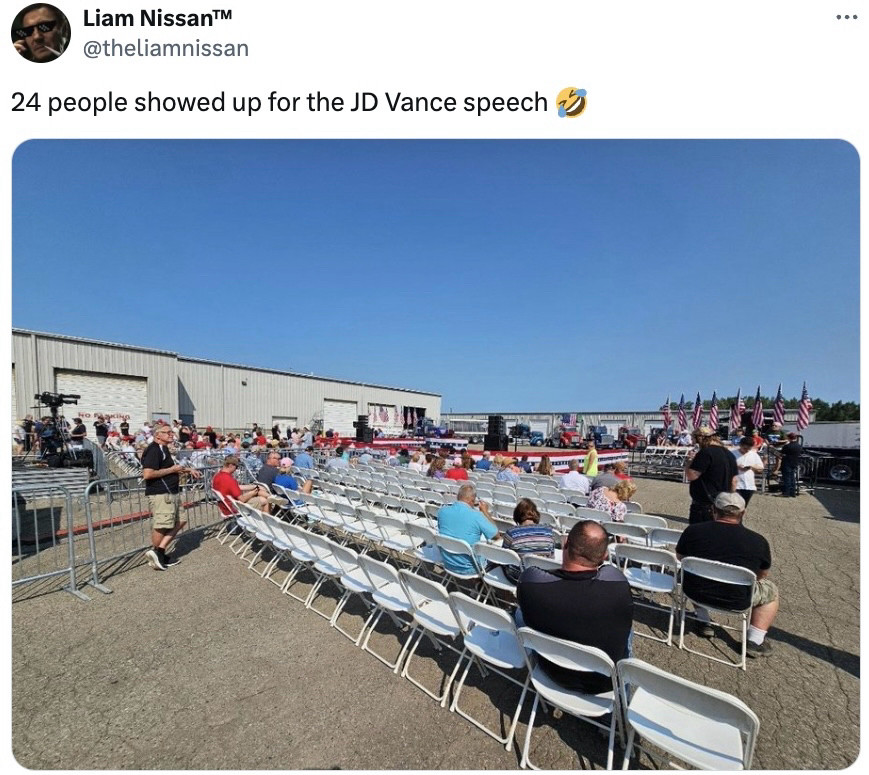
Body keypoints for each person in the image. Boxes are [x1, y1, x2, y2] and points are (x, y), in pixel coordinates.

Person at [517, 520, 633, 692]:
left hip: (549, 671)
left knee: (520, 612)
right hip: (605, 684)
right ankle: (620, 707)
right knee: (627, 628)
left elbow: (535, 573)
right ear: (604, 556)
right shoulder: (617, 585)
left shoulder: (530, 582)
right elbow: (608, 572)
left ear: (566, 544)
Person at [676, 492, 779, 657]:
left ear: (713, 509)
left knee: (691, 572)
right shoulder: (758, 541)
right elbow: (761, 575)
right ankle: (755, 639)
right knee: (771, 591)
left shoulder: (693, 531)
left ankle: (703, 620)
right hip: (737, 598)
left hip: (696, 590)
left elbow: (680, 557)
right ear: (743, 513)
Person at [142, 424, 201, 570]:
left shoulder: (164, 449)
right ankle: (157, 555)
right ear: (157, 435)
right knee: (162, 525)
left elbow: (168, 469)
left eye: (171, 432)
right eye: (167, 432)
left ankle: (159, 551)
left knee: (181, 520)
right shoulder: (154, 450)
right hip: (161, 493)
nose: (171, 435)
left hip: (171, 492)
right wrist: (172, 469)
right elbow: (148, 474)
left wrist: (187, 469)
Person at [436, 483, 499, 575]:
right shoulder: (477, 515)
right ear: (472, 500)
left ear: (458, 497)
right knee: (500, 555)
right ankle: (482, 583)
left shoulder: (442, 511)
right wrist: (485, 512)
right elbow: (496, 535)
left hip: (448, 562)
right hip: (470, 568)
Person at [685, 426, 738, 524]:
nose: (694, 442)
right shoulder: (729, 454)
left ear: (700, 438)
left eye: (694, 439)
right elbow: (734, 481)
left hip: (704, 503)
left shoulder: (705, 453)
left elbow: (691, 475)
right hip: (722, 503)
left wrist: (689, 462)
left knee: (699, 534)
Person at [501, 499, 559, 581]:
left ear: (517, 515)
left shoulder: (511, 533)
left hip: (517, 577)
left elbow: (505, 557)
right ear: (536, 514)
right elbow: (551, 557)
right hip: (542, 577)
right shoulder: (548, 531)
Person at [734, 436, 765, 506]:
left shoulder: (753, 454)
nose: (747, 450)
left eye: (749, 449)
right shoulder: (732, 454)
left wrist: (751, 466)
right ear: (740, 445)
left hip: (749, 485)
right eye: (745, 448)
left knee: (744, 506)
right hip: (736, 485)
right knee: (736, 506)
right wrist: (737, 466)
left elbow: (761, 467)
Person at [773, 432, 803, 497]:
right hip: (795, 463)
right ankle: (793, 493)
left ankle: (786, 492)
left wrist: (775, 452)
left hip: (787, 463)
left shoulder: (787, 446)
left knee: (787, 479)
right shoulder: (799, 446)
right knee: (793, 478)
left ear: (789, 438)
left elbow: (781, 454)